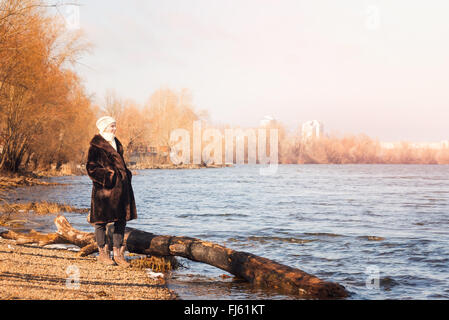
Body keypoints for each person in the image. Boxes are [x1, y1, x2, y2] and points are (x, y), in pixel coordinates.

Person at [86, 116, 137, 267]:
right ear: (103, 128)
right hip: (104, 191)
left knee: (120, 220)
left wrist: (126, 175)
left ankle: (118, 254)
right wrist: (109, 177)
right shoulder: (96, 146)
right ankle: (103, 253)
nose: (114, 129)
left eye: (115, 126)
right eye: (111, 126)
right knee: (101, 222)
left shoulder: (117, 143)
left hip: (121, 189)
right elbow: (91, 168)